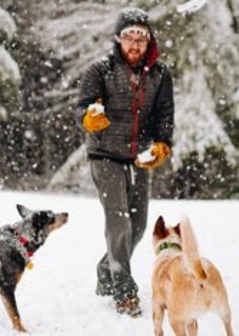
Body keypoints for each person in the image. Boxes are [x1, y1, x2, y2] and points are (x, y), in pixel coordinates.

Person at [75, 6, 174, 317]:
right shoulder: (99, 70)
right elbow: (82, 107)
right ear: (118, 39)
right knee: (118, 221)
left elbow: (164, 116)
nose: (135, 43)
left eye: (141, 37)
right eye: (129, 36)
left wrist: (161, 145)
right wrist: (89, 118)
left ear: (149, 41)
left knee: (140, 224)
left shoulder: (160, 75)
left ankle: (107, 271)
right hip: (104, 154)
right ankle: (124, 291)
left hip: (138, 156)